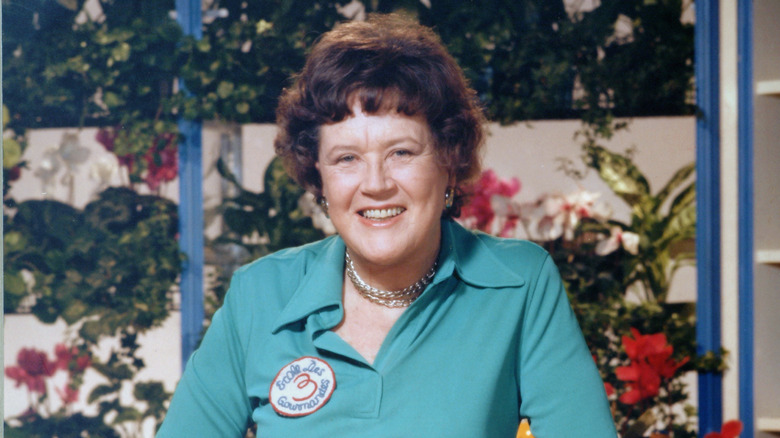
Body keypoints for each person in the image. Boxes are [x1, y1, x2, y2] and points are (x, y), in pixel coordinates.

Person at [157, 13, 616, 437]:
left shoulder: (519, 285)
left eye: (401, 152)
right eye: (347, 158)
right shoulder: (259, 295)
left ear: (449, 162)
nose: (375, 184)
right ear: (318, 175)